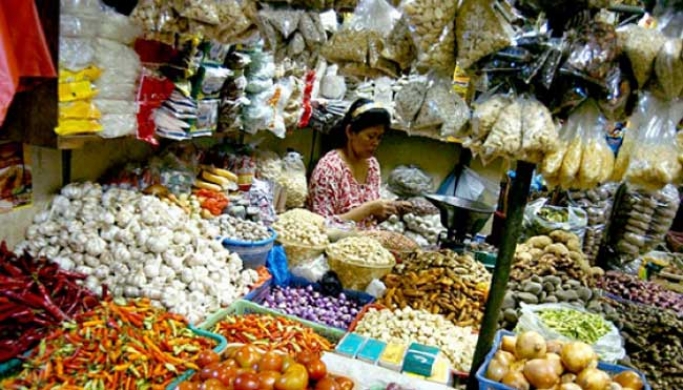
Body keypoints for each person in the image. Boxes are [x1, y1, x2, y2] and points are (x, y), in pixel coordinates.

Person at [308, 98, 409, 228]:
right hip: (337, 245)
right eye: (371, 136)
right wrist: (368, 208)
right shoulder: (329, 169)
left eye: (379, 137)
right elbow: (321, 226)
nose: (376, 143)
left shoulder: (372, 165)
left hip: (365, 243)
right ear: (350, 132)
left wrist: (386, 209)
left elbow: (370, 220)